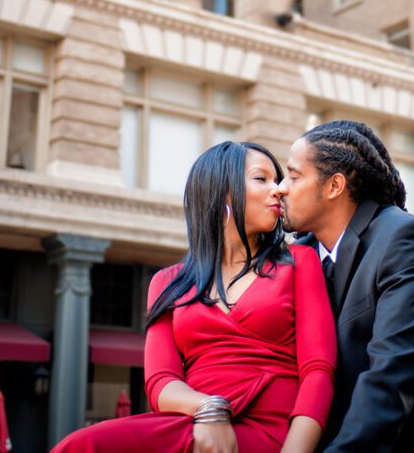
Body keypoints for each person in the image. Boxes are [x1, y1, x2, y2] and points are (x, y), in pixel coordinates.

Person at [51, 141, 336, 453]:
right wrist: (209, 410)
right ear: (221, 191)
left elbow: (318, 371)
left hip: (274, 431)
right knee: (81, 445)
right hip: (197, 421)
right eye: (261, 178)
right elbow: (160, 381)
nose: (278, 189)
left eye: (278, 179)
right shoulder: (167, 283)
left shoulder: (299, 262)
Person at [278, 119, 414, 453]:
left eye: (294, 175)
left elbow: (389, 379)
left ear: (334, 187)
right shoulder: (296, 255)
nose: (280, 187)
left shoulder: (403, 239)